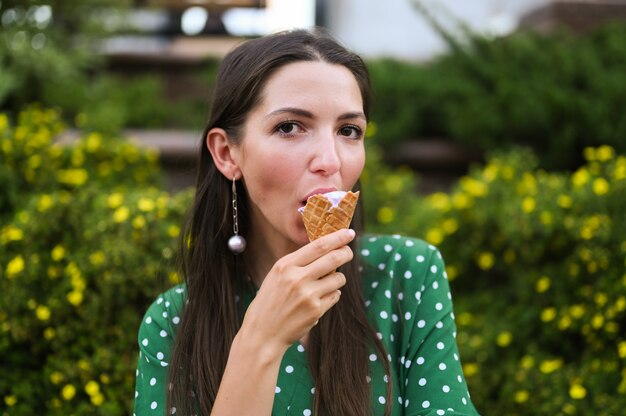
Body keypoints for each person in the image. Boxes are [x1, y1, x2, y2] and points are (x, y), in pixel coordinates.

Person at [133, 29, 480, 416]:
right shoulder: (175, 323)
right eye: (290, 127)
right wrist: (260, 341)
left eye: (349, 131)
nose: (330, 161)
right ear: (227, 153)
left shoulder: (405, 275)